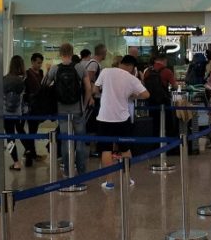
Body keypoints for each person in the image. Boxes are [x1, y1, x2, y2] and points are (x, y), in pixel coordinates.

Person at [94, 54, 150, 188]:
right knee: (125, 149)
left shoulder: (105, 71)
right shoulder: (131, 78)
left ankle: (109, 181)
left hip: (104, 117)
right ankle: (127, 178)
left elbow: (95, 89)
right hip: (122, 118)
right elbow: (146, 94)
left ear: (121, 63)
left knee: (106, 150)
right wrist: (132, 95)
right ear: (131, 67)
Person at [42, 43, 92, 176]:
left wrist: (47, 71)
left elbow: (44, 86)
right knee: (80, 140)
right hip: (78, 109)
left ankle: (67, 170)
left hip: (61, 109)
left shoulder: (55, 69)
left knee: (65, 140)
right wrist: (85, 104)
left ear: (60, 53)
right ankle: (81, 171)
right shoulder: (79, 67)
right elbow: (88, 88)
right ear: (72, 52)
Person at [2, 55, 26, 170]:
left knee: (10, 138)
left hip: (6, 113)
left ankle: (16, 162)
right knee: (22, 132)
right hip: (18, 113)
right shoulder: (23, 79)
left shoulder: (5, 79)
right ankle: (30, 150)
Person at [23, 53, 48, 162]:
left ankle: (30, 152)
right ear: (32, 62)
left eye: (41, 63)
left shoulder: (41, 73)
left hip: (39, 106)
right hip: (31, 107)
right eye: (38, 63)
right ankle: (31, 153)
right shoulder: (27, 74)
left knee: (34, 130)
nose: (39, 65)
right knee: (32, 130)